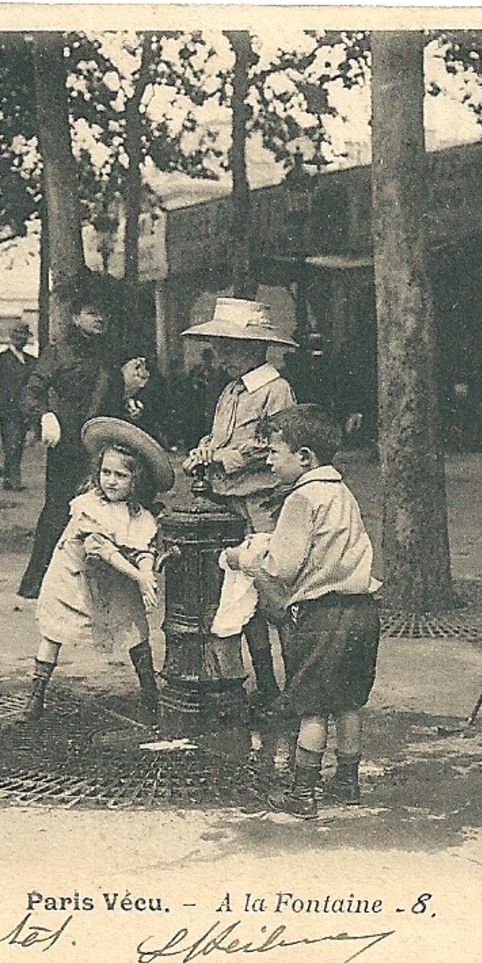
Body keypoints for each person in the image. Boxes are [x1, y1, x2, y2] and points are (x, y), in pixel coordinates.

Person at [223, 405, 379, 819]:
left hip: (323, 614)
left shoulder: (301, 498)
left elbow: (283, 566)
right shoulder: (341, 492)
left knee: (311, 707)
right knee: (348, 702)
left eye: (275, 452)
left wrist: (246, 561)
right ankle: (348, 782)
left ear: (304, 456)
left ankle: (303, 793)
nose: (269, 460)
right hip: (362, 610)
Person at [182, 297, 297, 714]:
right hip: (228, 504)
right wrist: (206, 449)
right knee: (239, 593)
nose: (222, 354)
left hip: (263, 504)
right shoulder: (230, 391)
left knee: (274, 595)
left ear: (256, 348)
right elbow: (220, 440)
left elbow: (274, 443)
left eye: (230, 346)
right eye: (219, 346)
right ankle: (265, 684)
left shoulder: (276, 389)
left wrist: (230, 457)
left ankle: (294, 688)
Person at [22, 418, 173, 723]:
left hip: (114, 578)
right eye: (106, 472)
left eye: (121, 475)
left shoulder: (139, 515)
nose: (111, 481)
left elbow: (143, 548)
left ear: (136, 481)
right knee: (55, 630)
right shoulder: (88, 506)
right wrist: (139, 576)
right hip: (73, 577)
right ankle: (36, 694)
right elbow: (100, 547)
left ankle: (149, 691)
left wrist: (147, 574)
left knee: (135, 628)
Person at [17, 290, 125, 599]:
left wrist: (129, 404)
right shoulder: (59, 352)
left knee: (104, 512)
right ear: (76, 317)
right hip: (68, 446)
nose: (99, 318)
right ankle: (39, 583)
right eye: (91, 311)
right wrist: (45, 415)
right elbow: (30, 393)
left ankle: (94, 585)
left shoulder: (111, 354)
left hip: (104, 446)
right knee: (58, 512)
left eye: (103, 313)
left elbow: (111, 397)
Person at [0, 320, 37, 491]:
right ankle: (12, 479)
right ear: (11, 337)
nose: (20, 339)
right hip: (8, 409)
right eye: (17, 335)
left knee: (19, 443)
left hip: (26, 409)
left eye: (23, 336)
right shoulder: (0, 360)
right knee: (12, 443)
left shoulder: (31, 361)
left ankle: (9, 476)